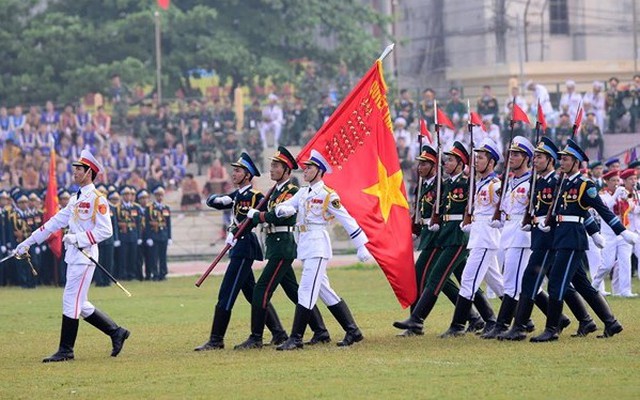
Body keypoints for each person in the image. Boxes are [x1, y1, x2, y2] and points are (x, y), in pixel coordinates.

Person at [16, 149, 130, 362]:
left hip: (85, 255)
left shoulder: (98, 199)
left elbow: (106, 231)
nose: (75, 172)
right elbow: (55, 222)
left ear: (89, 172)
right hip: (74, 257)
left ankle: (66, 349)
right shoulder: (75, 198)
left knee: (71, 300)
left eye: (78, 169)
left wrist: (77, 238)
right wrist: (27, 242)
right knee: (81, 303)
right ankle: (117, 332)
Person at [530, 139, 638, 342]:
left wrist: (621, 231)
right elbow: (559, 210)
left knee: (556, 282)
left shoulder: (584, 185)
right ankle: (611, 322)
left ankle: (552, 328)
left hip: (572, 240)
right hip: (560, 236)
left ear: (576, 163)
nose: (561, 162)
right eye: (560, 159)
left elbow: (601, 210)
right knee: (582, 285)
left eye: (566, 159)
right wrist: (548, 222)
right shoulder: (562, 182)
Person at [393, 142, 497, 336]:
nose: (446, 163)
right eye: (446, 160)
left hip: (459, 234)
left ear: (461, 164)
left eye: (450, 160)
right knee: (464, 278)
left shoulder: (468, 183)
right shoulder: (446, 184)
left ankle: (418, 320)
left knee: (436, 277)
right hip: (444, 234)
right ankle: (484, 318)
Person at [499, 137, 597, 341]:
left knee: (536, 280)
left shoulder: (557, 182)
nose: (535, 160)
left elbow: (578, 208)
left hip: (554, 237)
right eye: (534, 156)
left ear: (550, 160)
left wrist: (594, 231)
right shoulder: (538, 181)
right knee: (569, 282)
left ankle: (522, 327)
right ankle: (590, 320)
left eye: (539, 157)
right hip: (542, 235)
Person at [274, 150, 372, 350]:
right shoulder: (303, 192)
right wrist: (283, 209)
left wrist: (361, 244)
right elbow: (283, 206)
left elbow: (346, 219)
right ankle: (353, 330)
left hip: (318, 245)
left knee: (306, 290)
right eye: (305, 167)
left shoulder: (328, 195)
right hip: (305, 243)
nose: (305, 171)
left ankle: (296, 337)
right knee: (325, 291)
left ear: (319, 171)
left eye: (309, 168)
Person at [234, 147, 330, 350]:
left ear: (287, 171)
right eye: (271, 166)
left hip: (283, 244)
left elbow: (278, 215)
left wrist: (257, 216)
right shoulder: (275, 191)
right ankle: (320, 330)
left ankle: (256, 337)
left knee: (261, 289)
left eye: (276, 166)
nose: (272, 169)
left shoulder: (293, 192)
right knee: (295, 292)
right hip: (274, 243)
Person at [194, 152, 288, 351]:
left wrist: (236, 230)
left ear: (247, 175)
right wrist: (216, 200)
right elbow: (214, 201)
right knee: (252, 293)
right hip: (237, 245)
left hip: (245, 245)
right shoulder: (236, 196)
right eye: (233, 170)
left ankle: (216, 339)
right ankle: (279, 333)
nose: (233, 174)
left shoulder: (256, 196)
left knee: (227, 291)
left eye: (237, 171)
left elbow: (258, 216)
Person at [440, 139, 506, 338]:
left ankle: (457, 325)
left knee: (468, 281)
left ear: (491, 162)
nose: (476, 161)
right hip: (479, 236)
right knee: (498, 284)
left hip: (486, 239)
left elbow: (504, 212)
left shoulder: (495, 185)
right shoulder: (481, 183)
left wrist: (495, 222)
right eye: (476, 157)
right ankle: (524, 320)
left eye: (481, 158)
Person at [591, 169, 637, 297]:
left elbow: (629, 209)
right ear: (606, 181)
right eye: (613, 181)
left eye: (618, 180)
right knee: (607, 264)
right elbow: (605, 209)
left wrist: (626, 199)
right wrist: (616, 195)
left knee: (625, 261)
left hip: (623, 231)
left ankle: (624, 290)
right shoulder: (602, 195)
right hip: (608, 234)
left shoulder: (622, 193)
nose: (616, 183)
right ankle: (595, 283)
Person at [145, 185, 172, 281]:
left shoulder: (166, 208)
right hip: (154, 235)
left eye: (161, 195)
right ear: (155, 196)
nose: (160, 197)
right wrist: (148, 237)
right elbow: (147, 224)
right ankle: (155, 274)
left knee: (163, 257)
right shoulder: (150, 208)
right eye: (158, 195)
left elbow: (168, 224)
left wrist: (169, 237)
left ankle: (163, 273)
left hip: (163, 235)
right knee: (154, 257)